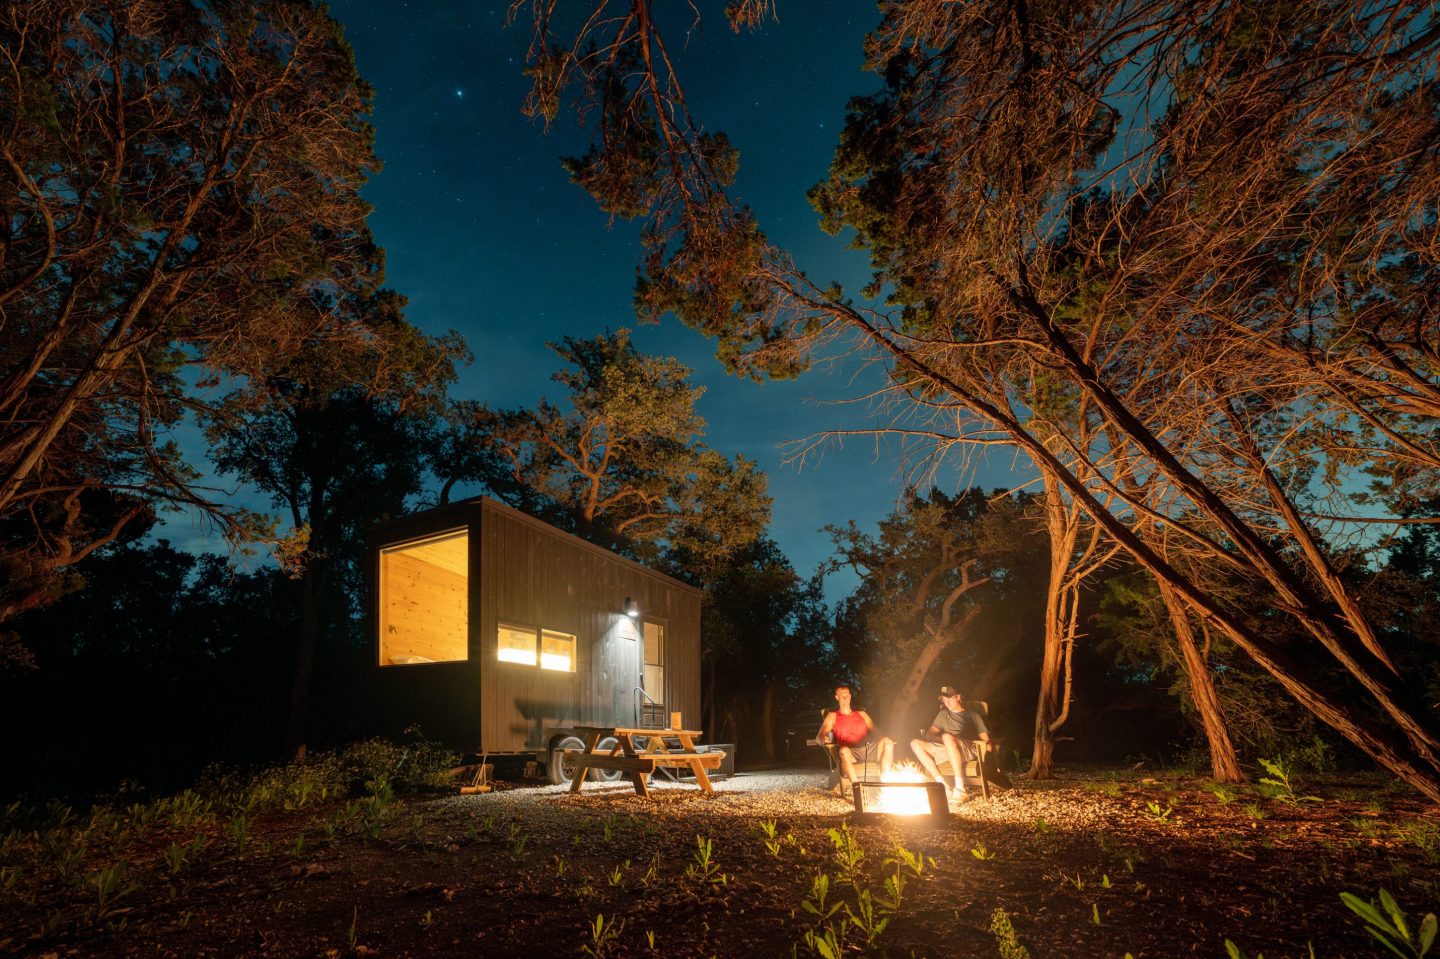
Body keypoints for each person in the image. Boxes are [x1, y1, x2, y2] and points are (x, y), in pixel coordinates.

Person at [910, 685, 992, 802]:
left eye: (949, 698)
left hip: (967, 749)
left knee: (947, 736)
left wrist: (949, 739)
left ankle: (960, 790)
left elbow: (987, 745)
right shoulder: (943, 714)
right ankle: (944, 787)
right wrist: (946, 741)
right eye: (944, 699)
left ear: (958, 697)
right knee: (915, 743)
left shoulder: (972, 715)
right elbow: (929, 734)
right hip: (948, 747)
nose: (946, 702)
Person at [816, 684, 894, 790]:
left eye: (847, 695)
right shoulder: (832, 716)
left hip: (868, 750)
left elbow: (877, 732)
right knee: (843, 750)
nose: (845, 698)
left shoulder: (862, 714)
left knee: (888, 742)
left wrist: (886, 739)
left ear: (850, 696)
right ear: (837, 697)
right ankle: (857, 788)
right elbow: (819, 737)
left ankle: (886, 782)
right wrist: (822, 740)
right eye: (842, 696)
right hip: (850, 753)